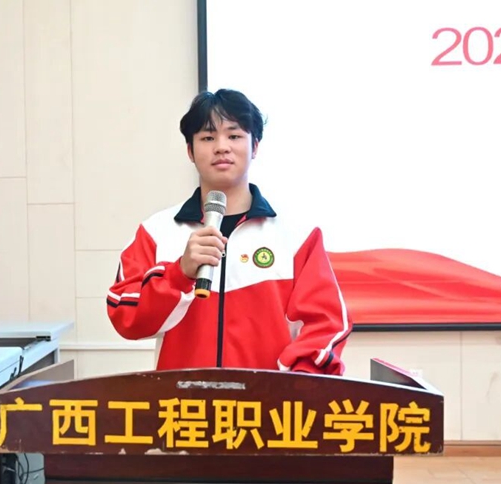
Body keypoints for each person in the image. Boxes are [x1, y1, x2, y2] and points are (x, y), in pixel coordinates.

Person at [106, 89, 351, 375]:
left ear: (255, 146)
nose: (222, 147)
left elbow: (325, 326)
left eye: (234, 136)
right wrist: (179, 274)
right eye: (208, 138)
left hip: (269, 401)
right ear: (190, 151)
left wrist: (295, 387)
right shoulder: (156, 232)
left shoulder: (297, 237)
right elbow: (125, 316)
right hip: (182, 400)